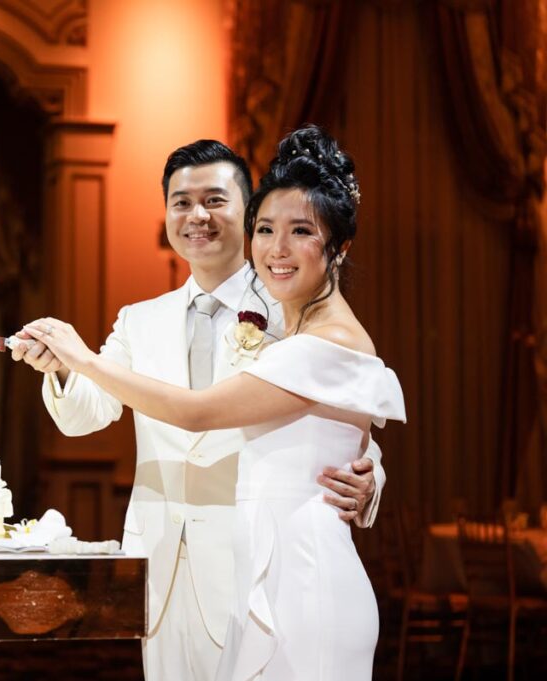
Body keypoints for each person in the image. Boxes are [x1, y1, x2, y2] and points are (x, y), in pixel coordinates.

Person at [23, 126, 405, 679]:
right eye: (181, 203)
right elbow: (87, 413)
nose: (196, 216)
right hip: (161, 560)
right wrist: (60, 368)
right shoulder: (139, 319)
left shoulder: (294, 305)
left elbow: (348, 416)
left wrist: (370, 481)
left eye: (214, 201)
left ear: (247, 211)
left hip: (255, 561)